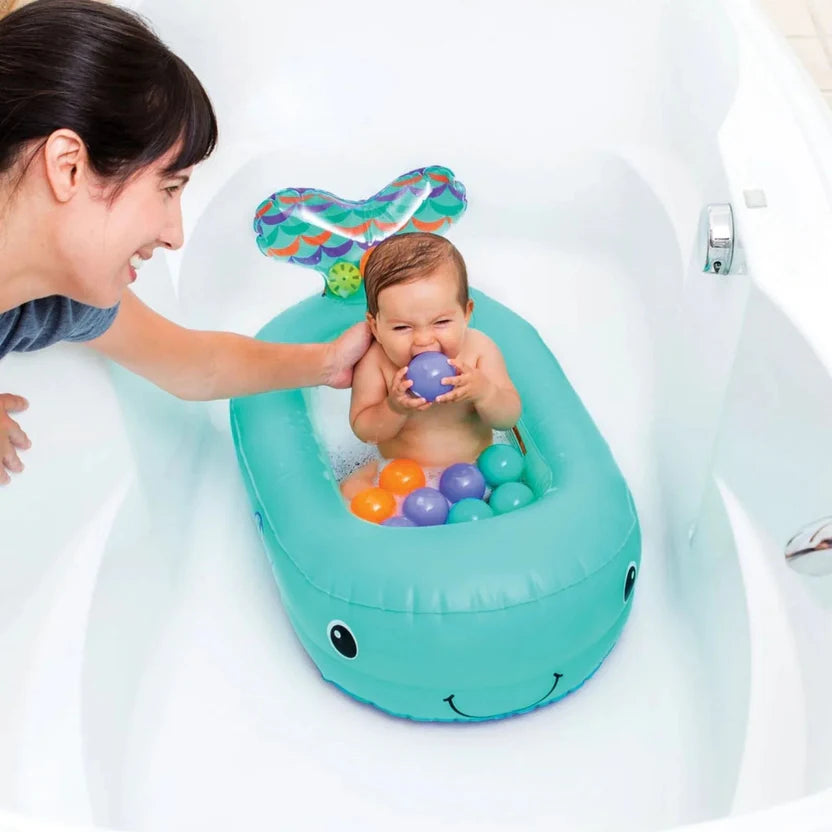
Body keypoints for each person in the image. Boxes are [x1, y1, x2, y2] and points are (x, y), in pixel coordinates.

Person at [0, 0, 371, 486]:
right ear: (68, 166)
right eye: (168, 187)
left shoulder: (54, 298)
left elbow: (197, 364)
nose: (174, 236)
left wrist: (330, 362)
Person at [340, 232, 521, 500]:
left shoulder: (479, 351)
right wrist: (393, 407)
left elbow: (508, 418)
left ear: (466, 313)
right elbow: (365, 432)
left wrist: (484, 392)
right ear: (375, 326)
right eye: (402, 327)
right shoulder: (376, 362)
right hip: (402, 480)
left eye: (441, 322)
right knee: (350, 491)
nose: (424, 340)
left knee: (511, 491)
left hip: (478, 472)